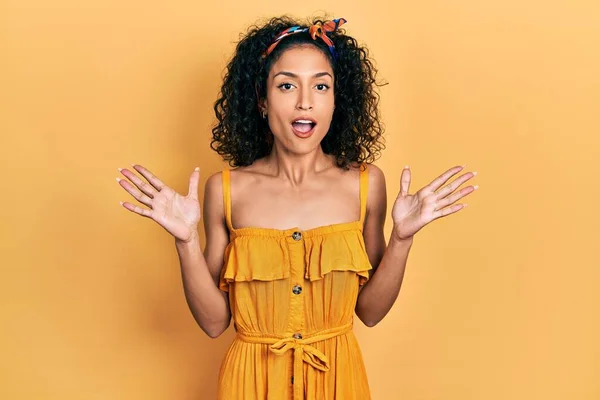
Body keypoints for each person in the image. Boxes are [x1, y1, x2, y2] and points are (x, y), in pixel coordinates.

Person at [116, 15, 478, 400]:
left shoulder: (366, 185)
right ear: (261, 100)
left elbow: (370, 312)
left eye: (321, 86)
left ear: (337, 100)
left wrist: (402, 239)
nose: (305, 101)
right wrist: (185, 242)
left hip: (339, 382)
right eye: (287, 85)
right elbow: (213, 322)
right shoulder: (225, 190)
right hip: (248, 385)